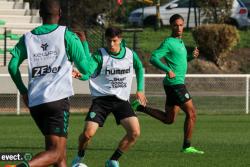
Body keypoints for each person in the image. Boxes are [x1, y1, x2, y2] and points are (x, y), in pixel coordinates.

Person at [8, 0, 90, 166]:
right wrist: (84, 44)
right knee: (56, 152)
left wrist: (23, 91)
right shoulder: (66, 35)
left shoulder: (27, 38)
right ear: (60, 13)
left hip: (36, 103)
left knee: (58, 154)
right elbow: (86, 69)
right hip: (57, 101)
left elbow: (12, 66)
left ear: (40, 14)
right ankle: (22, 166)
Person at [71, 27, 147, 167]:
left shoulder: (130, 54)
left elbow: (139, 67)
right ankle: (80, 155)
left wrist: (140, 89)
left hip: (121, 101)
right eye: (108, 41)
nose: (111, 44)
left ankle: (113, 160)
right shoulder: (100, 55)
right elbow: (89, 72)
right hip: (101, 100)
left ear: (120, 40)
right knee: (87, 134)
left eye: (114, 41)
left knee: (134, 132)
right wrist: (81, 76)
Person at [131, 14, 204, 154]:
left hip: (173, 84)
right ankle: (187, 146)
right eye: (176, 25)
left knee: (169, 119)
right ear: (171, 26)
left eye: (181, 25)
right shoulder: (169, 42)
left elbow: (179, 62)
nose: (179, 27)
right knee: (192, 114)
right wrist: (167, 69)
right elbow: (153, 58)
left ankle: (139, 107)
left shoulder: (180, 42)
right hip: (175, 84)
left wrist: (191, 57)